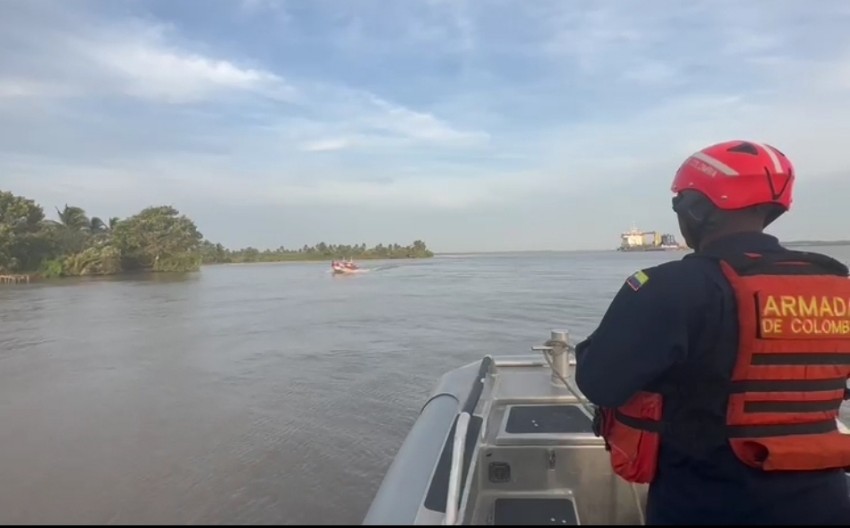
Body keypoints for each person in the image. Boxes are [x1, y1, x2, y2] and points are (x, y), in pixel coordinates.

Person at [574, 140, 850, 525]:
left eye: (680, 204)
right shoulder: (838, 285)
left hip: (706, 503)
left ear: (698, 209)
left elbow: (599, 382)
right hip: (827, 504)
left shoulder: (670, 286)